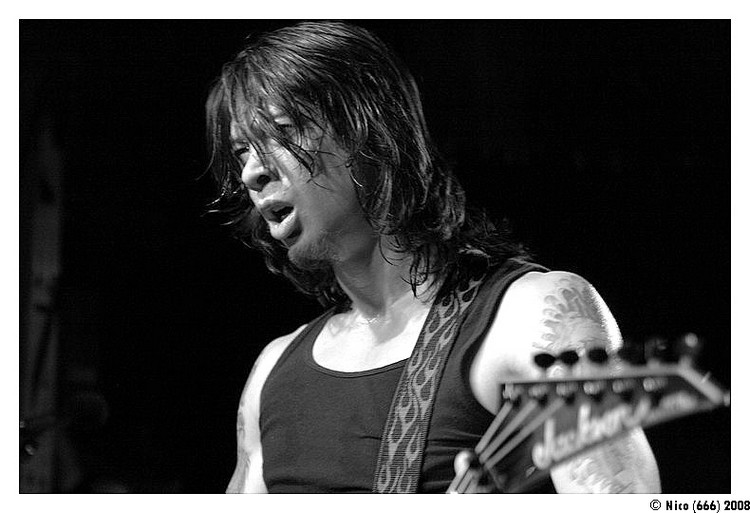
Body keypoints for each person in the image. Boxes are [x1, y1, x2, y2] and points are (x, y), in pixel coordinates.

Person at [204, 21, 661, 493]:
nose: (252, 172)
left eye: (280, 133)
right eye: (241, 152)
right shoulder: (272, 371)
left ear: (372, 133)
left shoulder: (534, 317)